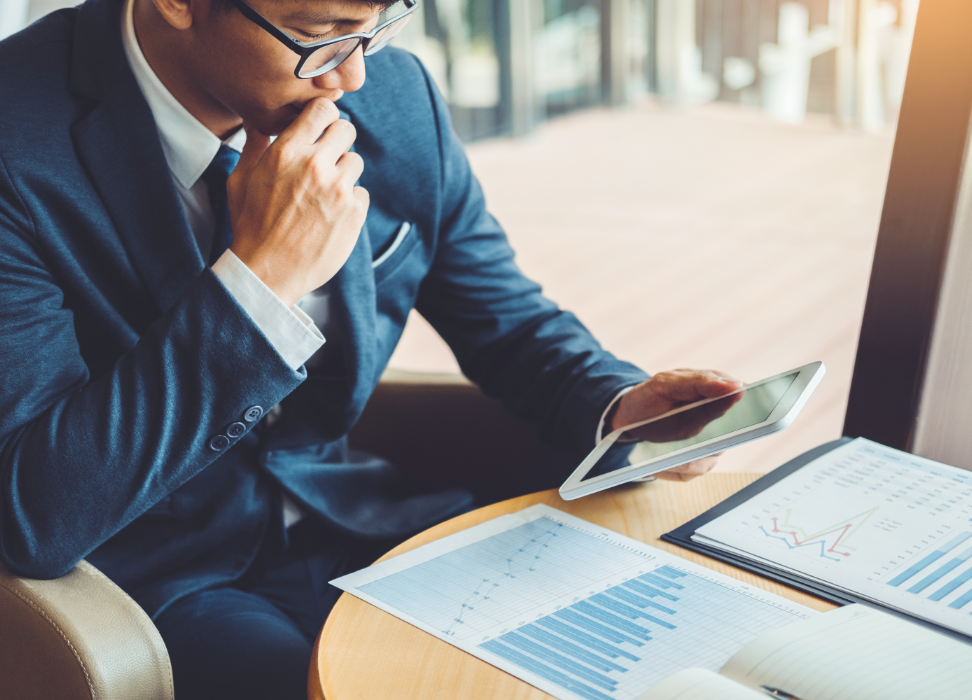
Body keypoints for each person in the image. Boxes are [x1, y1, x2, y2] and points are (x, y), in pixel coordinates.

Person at [0, 0, 741, 697]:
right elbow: (36, 514)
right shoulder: (15, 144)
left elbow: (507, 322)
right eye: (321, 32)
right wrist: (261, 280)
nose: (351, 75)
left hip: (358, 520)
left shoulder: (395, 97)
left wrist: (617, 403)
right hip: (155, 575)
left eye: (376, 25)